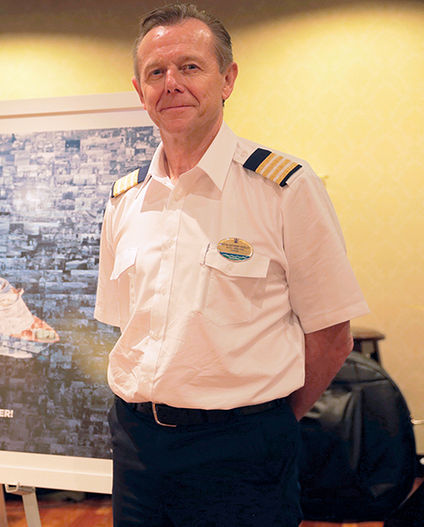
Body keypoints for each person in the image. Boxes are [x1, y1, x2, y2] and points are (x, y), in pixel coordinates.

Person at [95, 4, 369, 526]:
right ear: (139, 91)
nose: (172, 83)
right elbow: (123, 326)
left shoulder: (284, 188)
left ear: (227, 79)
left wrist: (263, 420)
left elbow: (332, 337)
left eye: (190, 67)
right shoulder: (124, 199)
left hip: (243, 454)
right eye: (156, 72)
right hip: (138, 449)